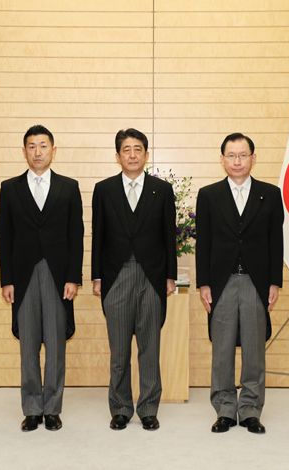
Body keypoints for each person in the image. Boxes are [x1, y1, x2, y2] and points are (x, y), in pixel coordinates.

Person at [0, 124, 84, 432]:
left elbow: (77, 235)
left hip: (59, 276)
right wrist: (6, 279)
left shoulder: (69, 187)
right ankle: (32, 407)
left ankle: (52, 408)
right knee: (29, 343)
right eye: (31, 146)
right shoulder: (9, 188)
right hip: (23, 277)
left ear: (53, 150)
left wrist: (74, 277)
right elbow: (3, 236)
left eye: (43, 145)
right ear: (24, 151)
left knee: (57, 345)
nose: (37, 151)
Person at [196, 132, 284, 434]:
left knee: (254, 349)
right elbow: (203, 242)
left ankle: (250, 409)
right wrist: (203, 283)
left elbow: (276, 241)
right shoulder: (208, 195)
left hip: (256, 282)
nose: (237, 161)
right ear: (222, 159)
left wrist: (274, 281)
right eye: (231, 155)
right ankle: (224, 408)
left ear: (253, 158)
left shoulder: (270, 194)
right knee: (221, 348)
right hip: (221, 283)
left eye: (243, 155)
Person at [92, 128, 177, 431]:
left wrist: (170, 276)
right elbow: (98, 235)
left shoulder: (162, 190)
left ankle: (149, 408)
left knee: (149, 347)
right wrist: (97, 275)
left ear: (146, 154)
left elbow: (170, 236)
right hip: (115, 276)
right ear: (118, 156)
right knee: (119, 350)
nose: (132, 154)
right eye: (126, 149)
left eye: (137, 149)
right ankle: (120, 407)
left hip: (152, 277)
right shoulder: (103, 190)